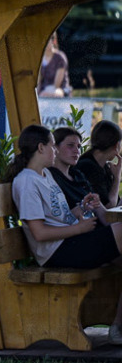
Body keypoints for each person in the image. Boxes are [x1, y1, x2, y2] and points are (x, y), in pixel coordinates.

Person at [8, 124, 122, 344]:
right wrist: (78, 228)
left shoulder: (45, 176)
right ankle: (118, 326)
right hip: (56, 251)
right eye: (53, 145)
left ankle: (118, 326)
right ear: (41, 148)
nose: (55, 151)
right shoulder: (26, 182)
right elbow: (39, 233)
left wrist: (81, 208)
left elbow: (59, 216)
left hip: (69, 241)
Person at [75, 120, 122, 208]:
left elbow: (116, 203)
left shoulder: (103, 166)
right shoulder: (88, 167)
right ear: (116, 145)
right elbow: (109, 207)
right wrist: (117, 178)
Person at [48, 126, 96, 209]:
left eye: (78, 146)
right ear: (55, 147)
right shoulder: (49, 178)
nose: (77, 151)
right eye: (70, 145)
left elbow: (102, 213)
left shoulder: (77, 175)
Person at [38, 31, 71, 97]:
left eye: (47, 40)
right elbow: (38, 82)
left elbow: (57, 85)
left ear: (53, 41)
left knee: (52, 93)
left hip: (60, 90)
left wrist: (45, 93)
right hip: (43, 91)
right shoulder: (39, 59)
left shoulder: (60, 58)